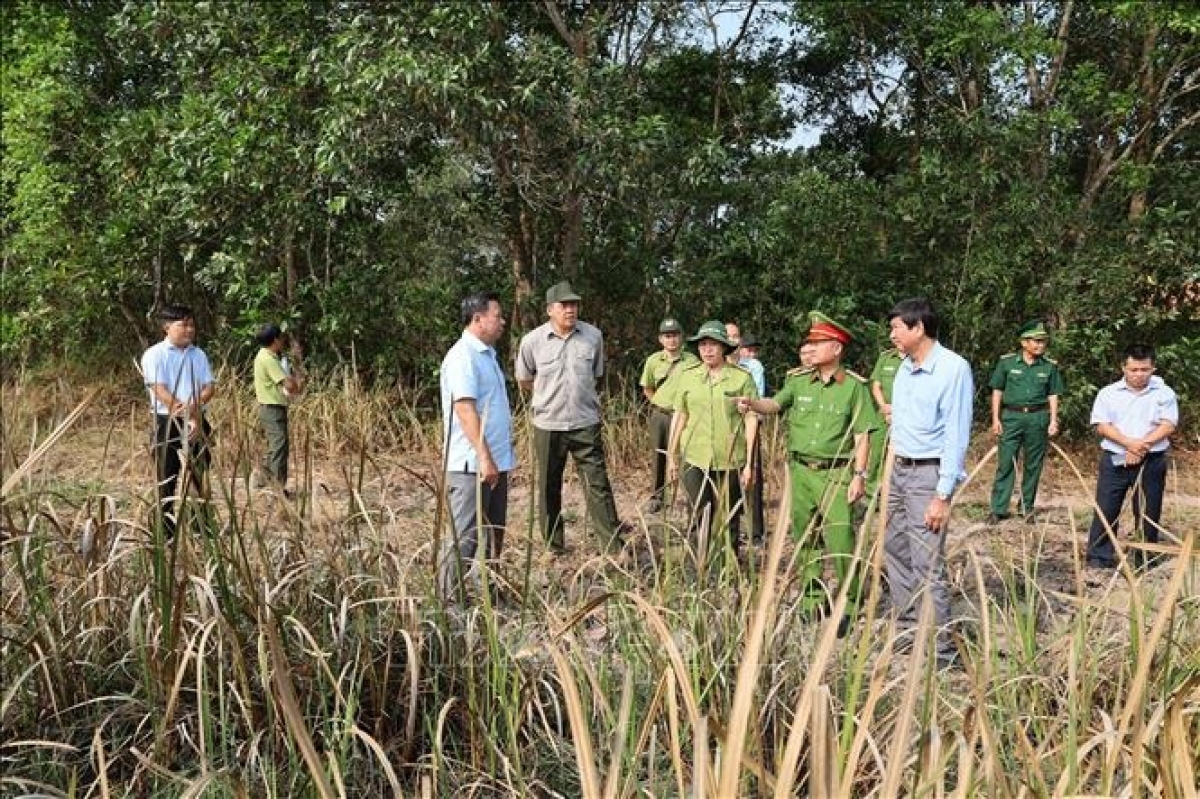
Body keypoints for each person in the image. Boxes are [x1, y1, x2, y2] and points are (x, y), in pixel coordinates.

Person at [738, 312, 878, 634]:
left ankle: (850, 604)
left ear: (837, 348)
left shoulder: (854, 388)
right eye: (809, 343)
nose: (810, 348)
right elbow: (775, 405)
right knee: (805, 539)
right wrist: (752, 404)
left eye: (817, 343)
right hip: (800, 472)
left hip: (836, 474)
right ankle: (813, 601)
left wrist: (859, 475)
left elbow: (862, 435)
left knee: (841, 540)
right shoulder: (798, 380)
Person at [884, 298, 973, 666]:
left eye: (896, 328)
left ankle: (942, 651)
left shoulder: (953, 369)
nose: (892, 336)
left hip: (927, 475)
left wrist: (942, 494)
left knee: (927, 561)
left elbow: (956, 433)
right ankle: (908, 631)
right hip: (898, 469)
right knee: (894, 550)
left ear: (918, 328)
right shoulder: (904, 368)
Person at [516, 281, 626, 554]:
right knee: (548, 486)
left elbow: (597, 375)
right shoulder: (532, 341)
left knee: (598, 484)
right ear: (549, 310)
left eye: (574, 304)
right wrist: (548, 396)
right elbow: (525, 379)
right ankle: (554, 547)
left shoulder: (593, 336)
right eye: (564, 305)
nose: (570, 310)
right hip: (548, 424)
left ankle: (612, 547)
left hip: (585, 422)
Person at [439, 291, 517, 601]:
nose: (502, 322)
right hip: (473, 466)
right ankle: (447, 607)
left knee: (493, 536)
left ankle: (491, 597)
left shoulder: (487, 355)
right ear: (478, 319)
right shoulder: (462, 357)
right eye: (497, 316)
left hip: (495, 463)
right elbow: (465, 409)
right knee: (465, 538)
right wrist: (484, 458)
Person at [1085, 344, 1178, 571]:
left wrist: (1141, 448)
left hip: (1151, 461)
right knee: (1107, 508)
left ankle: (1145, 557)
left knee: (1148, 512)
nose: (1139, 375)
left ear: (1153, 368)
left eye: (1144, 369)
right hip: (1115, 458)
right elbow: (1102, 426)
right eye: (1134, 369)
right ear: (1123, 368)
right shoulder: (1108, 393)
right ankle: (1099, 557)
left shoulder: (1164, 393)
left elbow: (1168, 425)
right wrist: (1129, 445)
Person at [668, 320, 759, 552]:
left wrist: (749, 463)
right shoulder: (688, 376)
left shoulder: (741, 378)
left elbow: (750, 420)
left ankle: (729, 569)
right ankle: (701, 566)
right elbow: (680, 415)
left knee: (729, 515)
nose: (707, 350)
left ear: (724, 348)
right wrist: (672, 454)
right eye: (703, 344)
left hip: (730, 458)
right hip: (695, 456)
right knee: (699, 511)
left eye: (713, 345)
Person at [141, 304, 216, 537]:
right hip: (166, 421)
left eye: (191, 325)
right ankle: (166, 528)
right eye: (183, 325)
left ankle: (200, 524)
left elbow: (209, 387)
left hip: (196, 419)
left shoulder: (198, 354)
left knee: (199, 472)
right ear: (167, 327)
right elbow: (160, 390)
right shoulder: (154, 355)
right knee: (167, 474)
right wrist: (185, 415)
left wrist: (194, 414)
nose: (189, 330)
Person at [987, 321, 1064, 523]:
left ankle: (1026, 507)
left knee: (1033, 464)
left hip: (1038, 418)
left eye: (1043, 342)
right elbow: (997, 391)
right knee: (1006, 463)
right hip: (1011, 417)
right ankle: (998, 509)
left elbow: (1053, 394)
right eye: (1036, 341)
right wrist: (995, 419)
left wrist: (1053, 420)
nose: (1040, 345)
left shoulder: (1049, 366)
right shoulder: (1007, 363)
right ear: (1024, 342)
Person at [639, 317, 699, 512]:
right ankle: (657, 498)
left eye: (674, 335)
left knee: (688, 456)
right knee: (659, 455)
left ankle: (690, 496)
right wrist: (659, 402)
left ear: (681, 337)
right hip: (661, 415)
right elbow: (647, 387)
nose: (671, 340)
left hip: (684, 415)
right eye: (667, 336)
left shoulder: (692, 361)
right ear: (660, 339)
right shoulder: (653, 361)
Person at [254, 323, 304, 492]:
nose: (283, 340)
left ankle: (261, 480)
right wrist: (296, 383)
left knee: (277, 445)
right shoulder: (268, 359)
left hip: (272, 406)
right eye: (281, 337)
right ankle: (276, 488)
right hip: (272, 408)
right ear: (275, 340)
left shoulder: (267, 356)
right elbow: (288, 384)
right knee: (279, 446)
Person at [866, 345, 905, 500]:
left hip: (907, 417)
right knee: (876, 455)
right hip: (883, 416)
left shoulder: (917, 357)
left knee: (901, 456)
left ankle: (895, 495)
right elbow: (876, 386)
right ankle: (872, 496)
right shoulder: (885, 357)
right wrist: (885, 407)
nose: (893, 335)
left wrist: (898, 411)